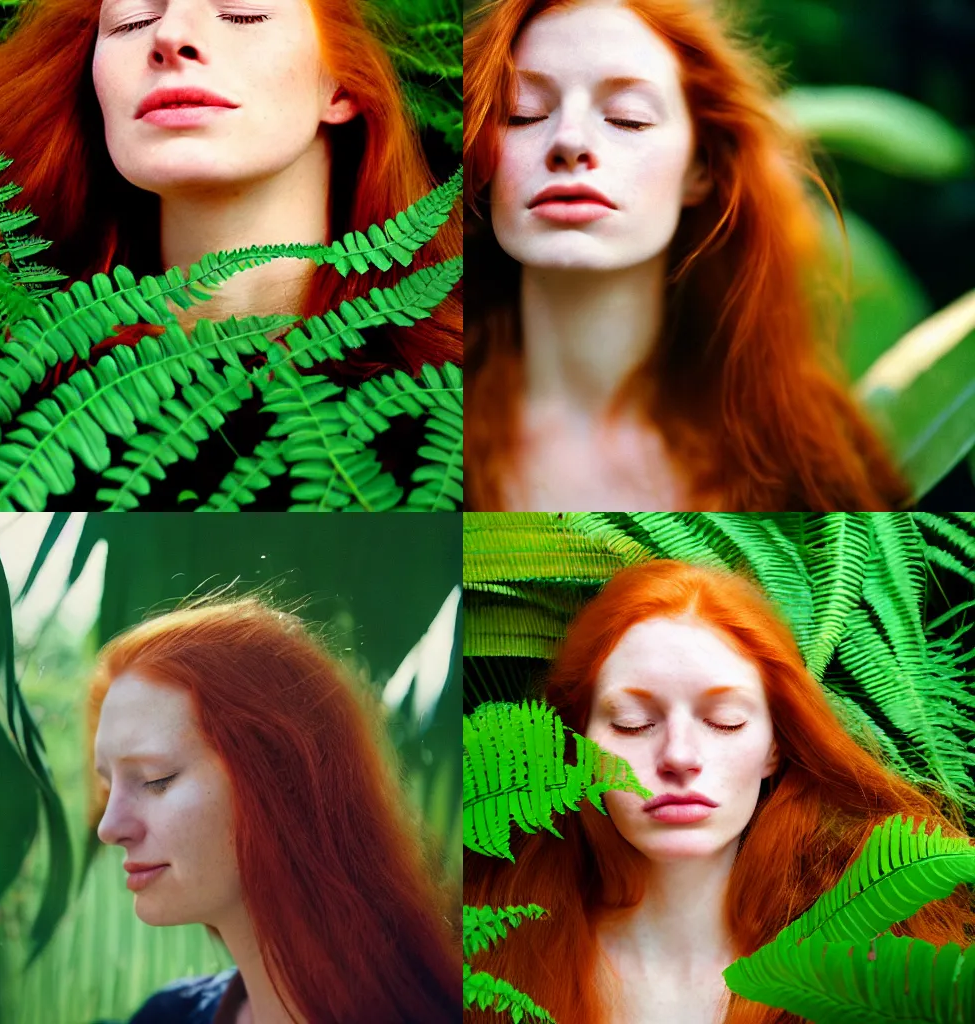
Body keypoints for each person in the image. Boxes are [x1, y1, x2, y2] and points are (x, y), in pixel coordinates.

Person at [463, 560, 974, 1023]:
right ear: (572, 743)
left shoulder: (878, 957)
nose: (680, 757)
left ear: (776, 744)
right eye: (632, 723)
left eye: (724, 722)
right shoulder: (477, 944)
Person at [463, 0, 911, 511]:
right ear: (480, 155)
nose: (568, 140)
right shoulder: (411, 421)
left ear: (700, 166)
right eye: (524, 114)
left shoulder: (805, 445)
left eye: (628, 119)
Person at [0, 0, 461, 376]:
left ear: (344, 82)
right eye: (133, 20)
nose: (170, 35)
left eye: (242, 13)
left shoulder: (463, 402)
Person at [89, 597, 461, 1024]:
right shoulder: (164, 1016)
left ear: (281, 777)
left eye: (156, 779)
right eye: (106, 786)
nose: (109, 827)